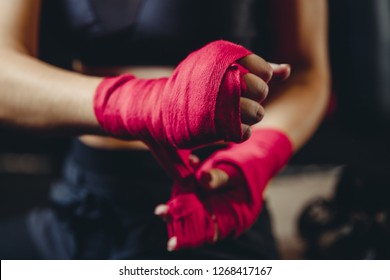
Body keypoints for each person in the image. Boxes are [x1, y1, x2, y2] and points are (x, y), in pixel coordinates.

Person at [0, 0, 330, 259]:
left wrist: (259, 153)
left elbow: (304, 72)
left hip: (211, 201)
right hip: (80, 196)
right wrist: (146, 104)